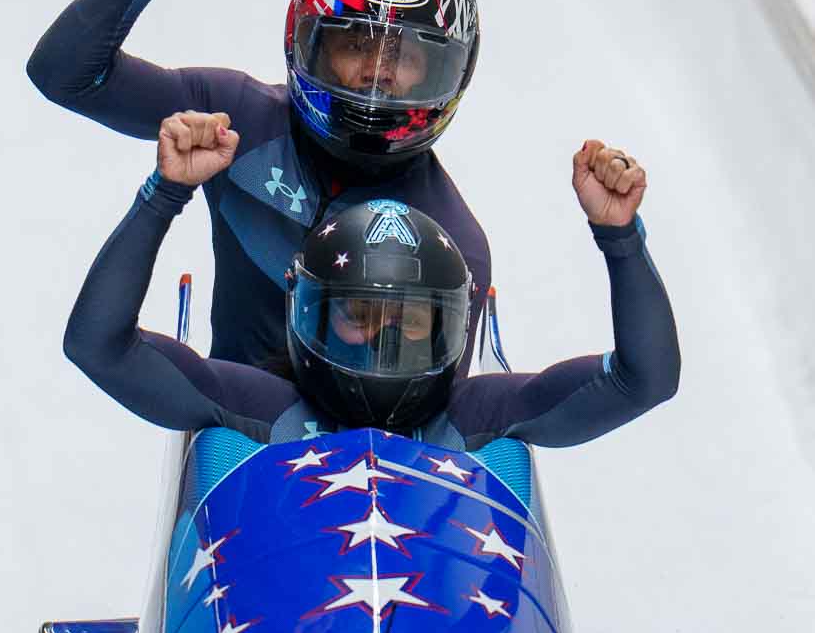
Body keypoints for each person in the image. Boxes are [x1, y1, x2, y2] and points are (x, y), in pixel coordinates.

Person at [27, 0, 489, 370]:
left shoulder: (455, 244)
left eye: (405, 57)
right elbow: (66, 77)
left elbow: (432, 416)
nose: (377, 74)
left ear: (446, 72)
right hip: (229, 425)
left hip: (322, 434)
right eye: (357, 44)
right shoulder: (234, 119)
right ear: (309, 42)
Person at [63, 113, 679, 449]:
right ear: (310, 320)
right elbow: (98, 346)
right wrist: (165, 194)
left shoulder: (476, 414)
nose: (385, 343)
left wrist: (619, 237)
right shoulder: (254, 404)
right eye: (358, 317)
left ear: (450, 330)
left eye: (411, 322)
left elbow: (643, 380)